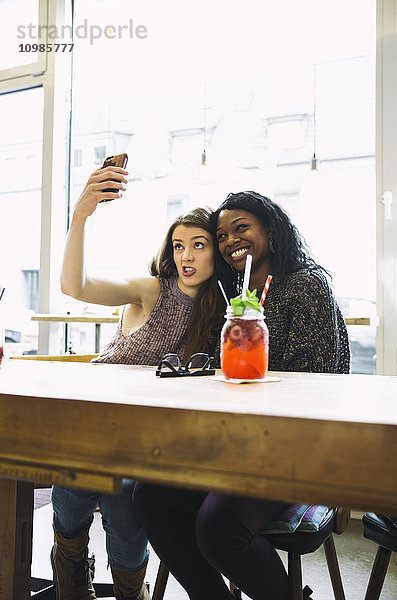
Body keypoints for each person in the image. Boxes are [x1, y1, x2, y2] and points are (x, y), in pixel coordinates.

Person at [133, 191, 350, 600]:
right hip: (239, 444)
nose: (230, 239)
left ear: (269, 229)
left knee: (219, 527)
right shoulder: (237, 296)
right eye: (221, 234)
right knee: (150, 495)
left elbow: (316, 384)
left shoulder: (305, 286)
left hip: (293, 448)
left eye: (241, 228)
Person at [53, 162, 223, 600]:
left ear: (216, 252)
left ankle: (131, 590)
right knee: (74, 483)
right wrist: (81, 215)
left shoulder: (224, 312)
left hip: (148, 438)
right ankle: (70, 576)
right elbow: (76, 285)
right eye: (179, 245)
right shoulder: (153, 289)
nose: (185, 256)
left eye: (198, 245)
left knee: (125, 502)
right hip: (92, 420)